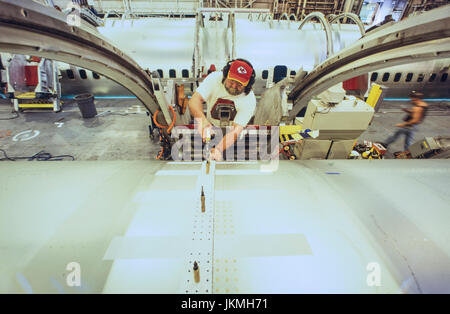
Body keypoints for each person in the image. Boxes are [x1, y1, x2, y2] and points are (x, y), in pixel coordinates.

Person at [188, 59, 257, 161]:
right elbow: (194, 100)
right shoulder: (214, 79)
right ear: (225, 75)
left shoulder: (249, 99)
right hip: (210, 127)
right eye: (231, 81)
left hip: (231, 135)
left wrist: (218, 149)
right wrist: (202, 121)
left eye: (239, 84)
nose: (234, 86)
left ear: (248, 84)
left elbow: (235, 131)